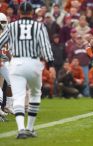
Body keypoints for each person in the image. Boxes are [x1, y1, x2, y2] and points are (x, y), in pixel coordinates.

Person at [0, 2, 55, 139]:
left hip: (16, 62)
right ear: (32, 12)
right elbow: (46, 47)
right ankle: (30, 128)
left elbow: (0, 42)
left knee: (18, 96)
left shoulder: (11, 26)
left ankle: (21, 129)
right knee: (35, 94)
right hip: (33, 62)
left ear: (19, 12)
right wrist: (51, 65)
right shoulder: (39, 26)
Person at [0, 12, 14, 117]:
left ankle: (8, 105)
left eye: (4, 22)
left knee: (12, 81)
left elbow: (7, 49)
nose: (2, 24)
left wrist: (11, 59)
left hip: (3, 62)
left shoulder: (7, 33)